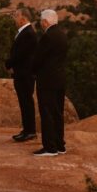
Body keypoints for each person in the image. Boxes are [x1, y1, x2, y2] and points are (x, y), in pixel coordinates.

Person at [31, 9, 68, 157]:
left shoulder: (48, 37)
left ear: (45, 22)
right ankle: (60, 145)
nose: (40, 23)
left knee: (46, 113)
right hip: (60, 79)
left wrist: (32, 69)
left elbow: (38, 58)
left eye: (41, 21)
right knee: (58, 113)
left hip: (47, 81)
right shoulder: (62, 34)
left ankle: (50, 148)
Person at [5, 8, 38, 142]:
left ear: (23, 18)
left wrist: (8, 64)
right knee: (24, 102)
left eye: (16, 16)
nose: (14, 19)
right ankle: (27, 130)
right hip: (22, 73)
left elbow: (20, 54)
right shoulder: (25, 32)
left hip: (25, 74)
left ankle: (30, 131)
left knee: (26, 102)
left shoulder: (28, 33)